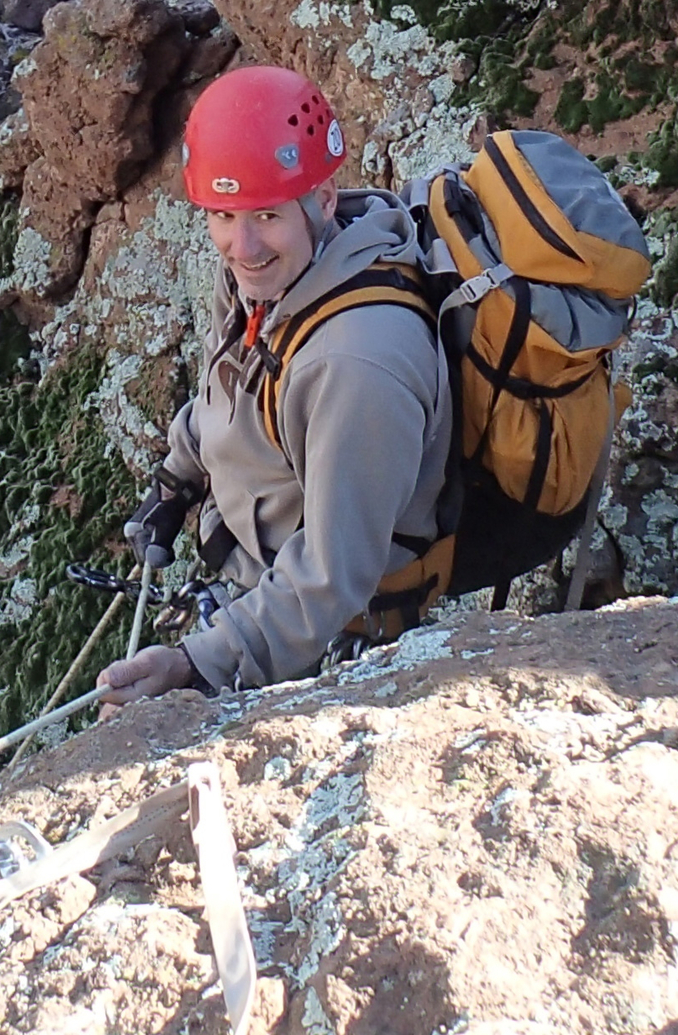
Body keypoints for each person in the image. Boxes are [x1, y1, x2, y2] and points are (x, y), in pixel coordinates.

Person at [96, 66, 450, 708]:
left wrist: (197, 664)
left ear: (321, 200)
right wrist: (176, 482)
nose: (243, 244)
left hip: (328, 635)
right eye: (224, 216)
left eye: (265, 214)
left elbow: (330, 575)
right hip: (263, 591)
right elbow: (224, 391)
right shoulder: (266, 278)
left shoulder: (356, 365)